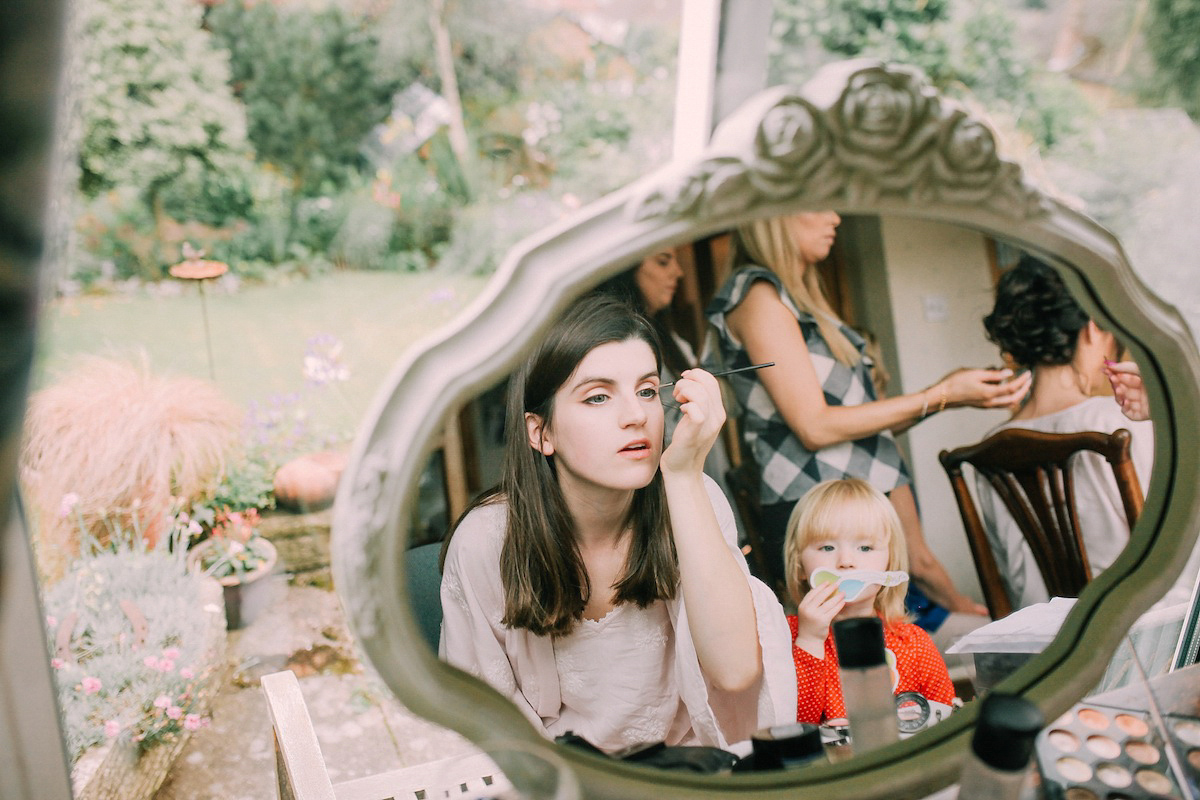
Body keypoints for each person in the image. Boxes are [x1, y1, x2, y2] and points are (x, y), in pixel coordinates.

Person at [439, 294, 796, 754]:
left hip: (689, 777)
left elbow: (736, 673)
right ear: (540, 432)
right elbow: (482, 727)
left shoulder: (692, 496)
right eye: (598, 397)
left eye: (648, 391)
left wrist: (685, 475)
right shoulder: (487, 540)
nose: (637, 417)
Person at [704, 212, 1030, 633]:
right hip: (817, 503)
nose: (834, 217)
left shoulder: (801, 301)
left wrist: (946, 398)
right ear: (775, 215)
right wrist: (941, 395)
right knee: (849, 657)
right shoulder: (757, 296)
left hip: (856, 499)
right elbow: (815, 427)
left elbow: (855, 426)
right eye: (817, 204)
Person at [981, 255, 1165, 609]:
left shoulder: (992, 447)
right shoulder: (1123, 422)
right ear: (1094, 328)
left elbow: (1012, 576)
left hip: (1043, 642)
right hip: (1135, 627)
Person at [784, 478, 956, 725]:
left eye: (864, 548)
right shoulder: (786, 637)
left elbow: (945, 721)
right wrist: (810, 640)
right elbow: (799, 725)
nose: (846, 561)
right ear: (800, 566)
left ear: (890, 562)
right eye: (827, 547)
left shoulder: (914, 644)